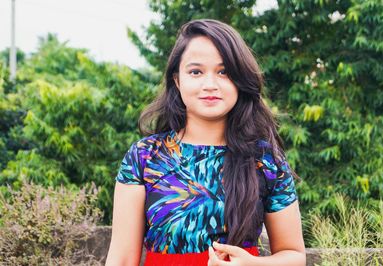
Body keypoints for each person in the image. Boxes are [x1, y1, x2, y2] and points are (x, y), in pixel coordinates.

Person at [106, 19, 305, 266]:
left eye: (224, 72)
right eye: (196, 72)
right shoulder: (145, 157)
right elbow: (122, 259)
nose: (210, 84)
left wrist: (252, 264)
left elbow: (294, 256)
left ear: (240, 80)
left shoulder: (265, 160)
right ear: (177, 80)